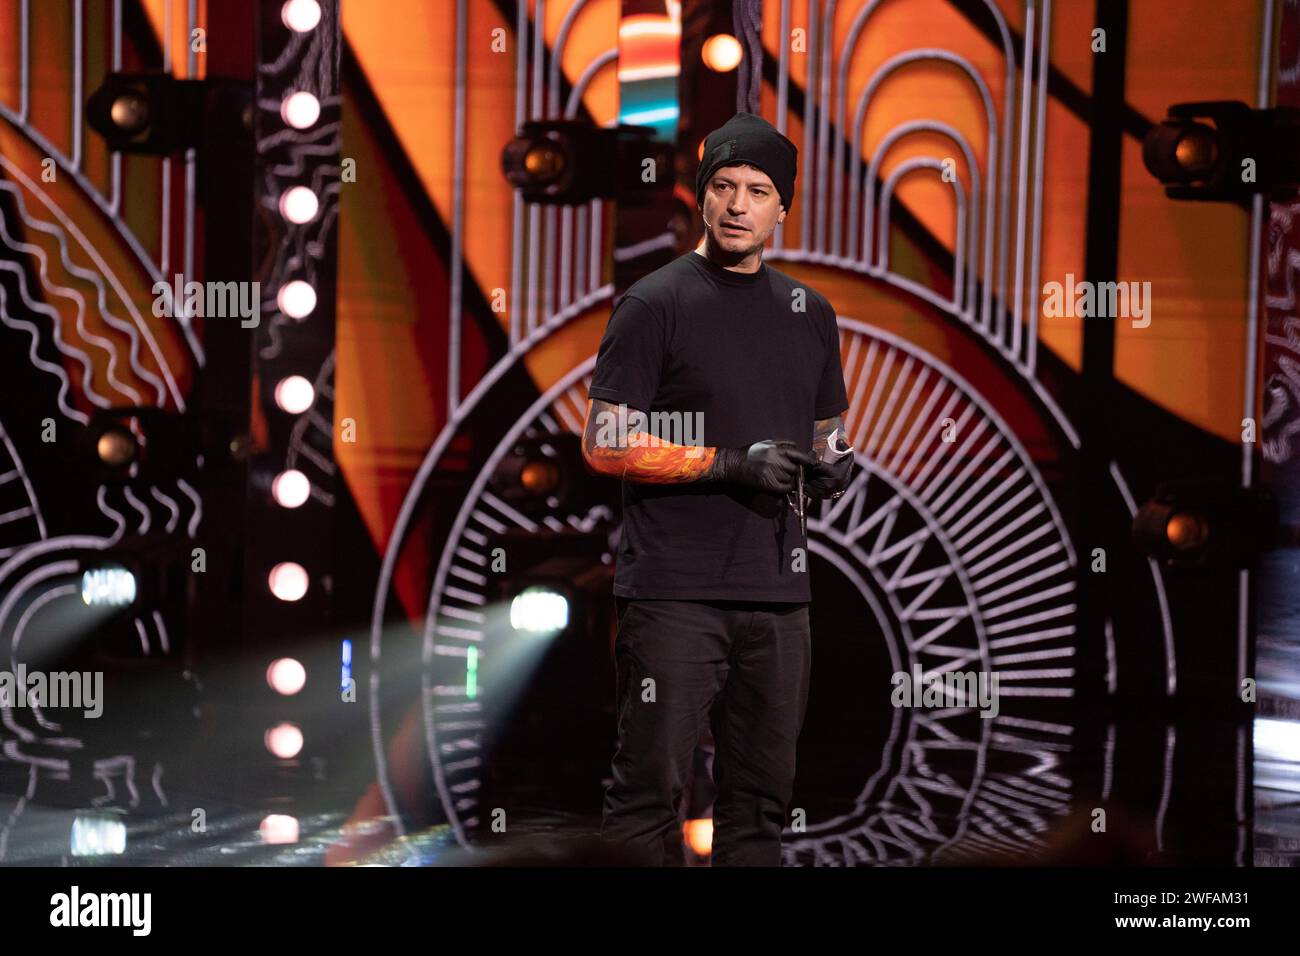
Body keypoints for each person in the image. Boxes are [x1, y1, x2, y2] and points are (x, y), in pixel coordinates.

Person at [582, 111, 854, 866]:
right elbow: (602, 444)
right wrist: (729, 464)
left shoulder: (809, 313)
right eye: (724, 187)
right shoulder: (655, 302)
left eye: (758, 191)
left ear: (782, 208)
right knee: (646, 797)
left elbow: (829, 430)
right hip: (674, 594)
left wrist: (837, 463)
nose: (739, 205)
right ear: (701, 198)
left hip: (778, 598)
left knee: (762, 809)